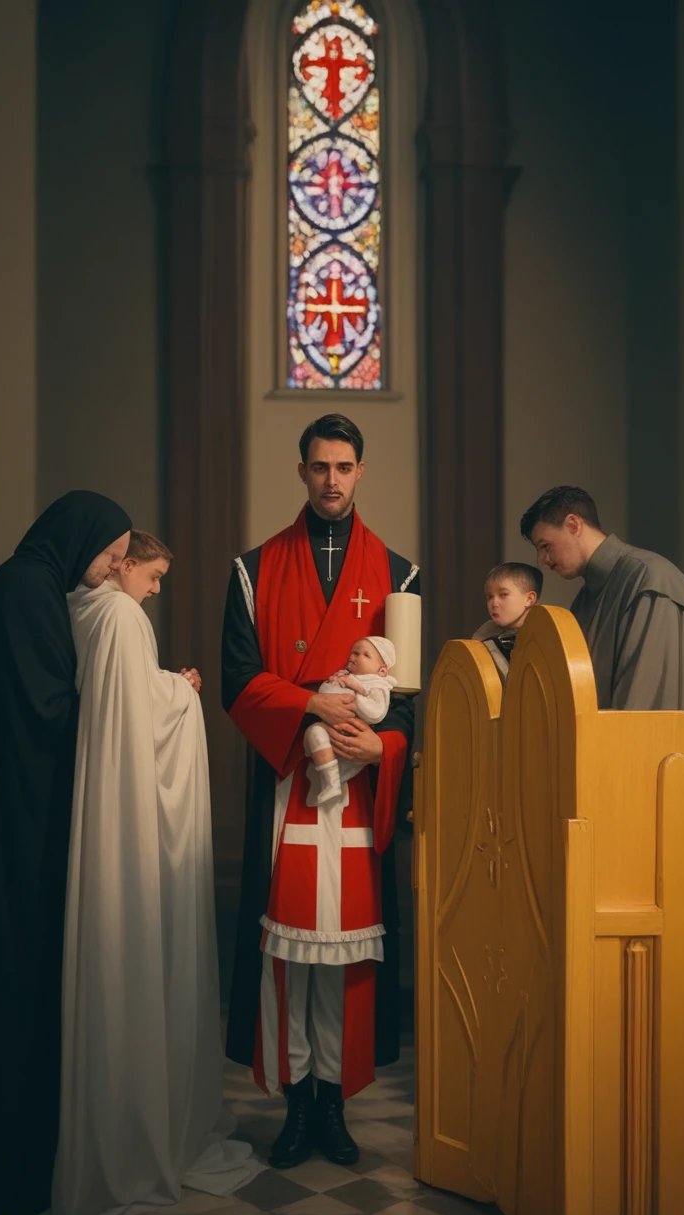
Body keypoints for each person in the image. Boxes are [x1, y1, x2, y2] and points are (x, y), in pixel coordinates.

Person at [520, 484, 684, 1209]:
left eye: (548, 545)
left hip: (650, 836)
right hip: (608, 830)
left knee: (660, 1026)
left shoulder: (651, 586)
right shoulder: (590, 602)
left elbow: (648, 731)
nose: (546, 560)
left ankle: (673, 1166)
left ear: (575, 523)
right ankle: (613, 1165)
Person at [221, 414, 419, 1170]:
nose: (331, 479)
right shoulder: (254, 568)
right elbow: (237, 677)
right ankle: (296, 1102)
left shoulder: (399, 572)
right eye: (318, 467)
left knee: (345, 958)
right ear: (301, 471)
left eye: (344, 466)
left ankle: (333, 1103)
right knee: (292, 956)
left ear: (361, 471)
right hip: (287, 786)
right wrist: (311, 704)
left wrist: (384, 742)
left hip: (359, 790)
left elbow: (407, 695)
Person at [0, 491, 132, 1215]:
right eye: (108, 558)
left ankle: (22, 1157)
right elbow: (48, 710)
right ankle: (3, 1169)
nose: (109, 573)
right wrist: (119, 708)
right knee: (17, 983)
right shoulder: (23, 588)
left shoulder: (32, 585)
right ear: (76, 536)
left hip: (28, 809)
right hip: (27, 821)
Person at [53, 529, 261, 1215]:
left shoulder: (80, 608)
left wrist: (160, 688)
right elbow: (137, 715)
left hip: (96, 796)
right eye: (154, 575)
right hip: (127, 813)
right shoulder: (119, 614)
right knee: (139, 948)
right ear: (128, 563)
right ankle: (142, 1135)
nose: (156, 588)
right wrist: (182, 688)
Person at [304, 635, 397, 803]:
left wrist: (356, 690)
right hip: (332, 727)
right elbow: (323, 692)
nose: (356, 657)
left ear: (381, 670)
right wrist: (332, 684)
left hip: (353, 736)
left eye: (365, 655)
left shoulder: (377, 686)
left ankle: (335, 780)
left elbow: (375, 713)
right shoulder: (344, 675)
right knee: (314, 732)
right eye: (354, 652)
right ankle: (330, 782)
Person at [471, 562, 542, 682]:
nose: (494, 603)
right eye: (489, 597)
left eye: (503, 595)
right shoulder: (485, 634)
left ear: (529, 599)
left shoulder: (544, 634)